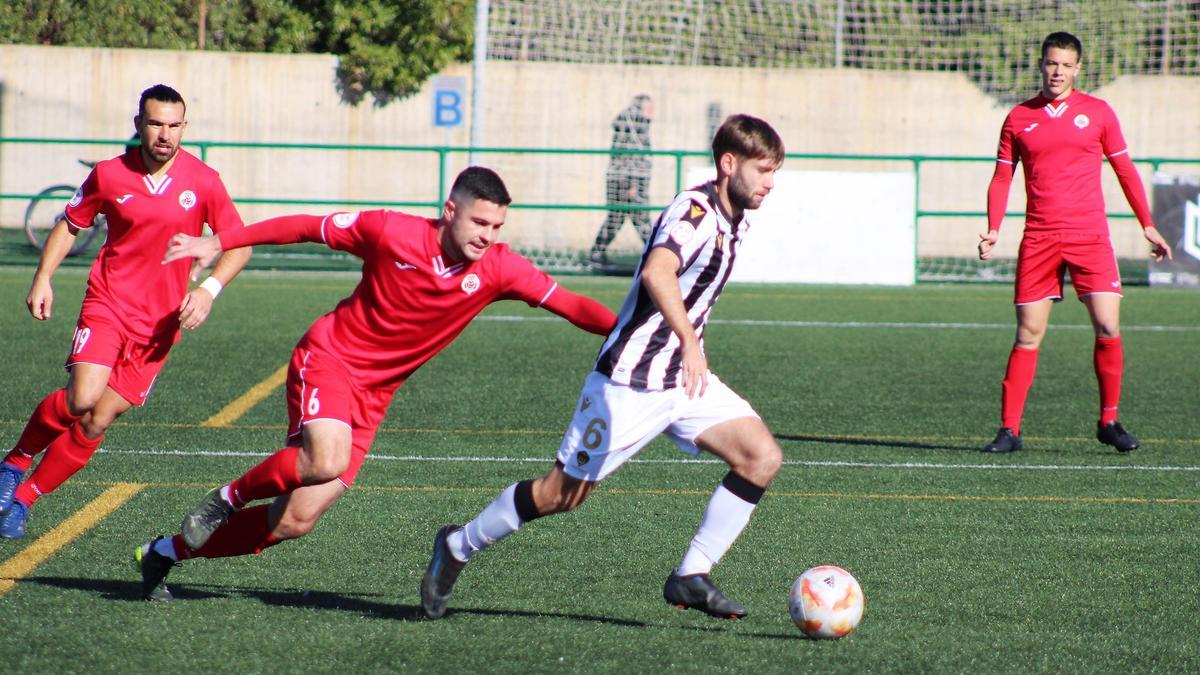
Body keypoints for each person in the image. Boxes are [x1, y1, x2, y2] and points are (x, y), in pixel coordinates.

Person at [135, 166, 617, 602]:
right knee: (327, 459)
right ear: (450, 211)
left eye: (497, 227)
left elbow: (572, 305)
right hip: (329, 359)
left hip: (374, 396)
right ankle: (225, 499)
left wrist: (633, 330)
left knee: (293, 521)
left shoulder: (499, 268)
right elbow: (307, 226)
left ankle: (163, 552)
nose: (487, 236)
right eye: (479, 223)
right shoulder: (390, 230)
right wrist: (222, 241)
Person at [422, 114, 785, 620]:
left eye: (775, 172)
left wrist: (687, 349)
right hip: (628, 382)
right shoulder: (696, 213)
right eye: (763, 170)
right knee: (559, 495)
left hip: (681, 381)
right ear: (729, 163)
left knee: (761, 457)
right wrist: (688, 339)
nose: (771, 183)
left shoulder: (734, 217)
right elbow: (660, 271)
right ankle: (458, 546)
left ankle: (690, 575)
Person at [0, 84, 251, 538]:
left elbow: (239, 244)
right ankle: (14, 463)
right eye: (156, 123)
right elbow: (70, 224)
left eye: (174, 126)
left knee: (99, 418)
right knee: (81, 398)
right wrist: (43, 278)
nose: (165, 135)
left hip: (159, 325)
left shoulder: (204, 181)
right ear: (139, 125)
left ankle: (24, 499)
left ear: (184, 128)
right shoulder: (109, 175)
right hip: (108, 303)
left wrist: (209, 289)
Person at [977, 32, 1173, 454]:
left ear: (1078, 68)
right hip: (1040, 238)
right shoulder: (1018, 118)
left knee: (1107, 325)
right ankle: (1009, 430)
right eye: (1051, 63)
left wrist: (1148, 224)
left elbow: (1124, 170)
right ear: (1041, 64)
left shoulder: (1098, 113)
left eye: (1066, 65)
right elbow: (1000, 177)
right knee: (1029, 333)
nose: (1057, 72)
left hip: (1090, 237)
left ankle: (1109, 420)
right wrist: (994, 227)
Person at [589, 94, 655, 269]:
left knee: (620, 218)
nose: (652, 112)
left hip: (623, 177)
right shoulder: (634, 123)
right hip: (627, 179)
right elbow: (630, 154)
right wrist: (632, 183)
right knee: (638, 218)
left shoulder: (631, 121)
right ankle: (657, 256)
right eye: (650, 108)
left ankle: (597, 253)